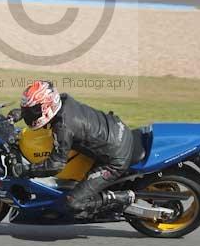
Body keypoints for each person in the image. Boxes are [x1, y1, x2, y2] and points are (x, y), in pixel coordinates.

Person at [8, 80, 135, 218]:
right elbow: (40, 108)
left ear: (47, 106)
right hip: (116, 128)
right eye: (28, 109)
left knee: (73, 203)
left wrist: (26, 170)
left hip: (115, 159)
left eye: (33, 110)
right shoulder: (62, 101)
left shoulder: (63, 128)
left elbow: (55, 165)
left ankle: (119, 198)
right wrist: (18, 114)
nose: (30, 113)